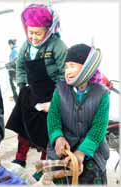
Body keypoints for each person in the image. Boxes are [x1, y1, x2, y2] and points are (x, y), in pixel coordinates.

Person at [6, 4, 68, 167]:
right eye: (30, 32)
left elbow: (64, 74)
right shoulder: (26, 46)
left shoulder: (58, 47)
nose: (33, 37)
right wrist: (21, 85)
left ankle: (45, 163)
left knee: (47, 130)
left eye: (38, 33)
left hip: (51, 94)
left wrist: (56, 100)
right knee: (23, 125)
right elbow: (20, 66)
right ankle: (21, 158)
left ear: (48, 30)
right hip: (31, 92)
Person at [47, 43, 110, 185]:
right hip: (66, 147)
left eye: (72, 66)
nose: (67, 71)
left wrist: (81, 153)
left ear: (88, 67)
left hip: (93, 151)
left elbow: (99, 128)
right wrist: (57, 137)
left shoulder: (102, 94)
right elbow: (53, 117)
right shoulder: (60, 90)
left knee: (89, 178)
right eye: (66, 66)